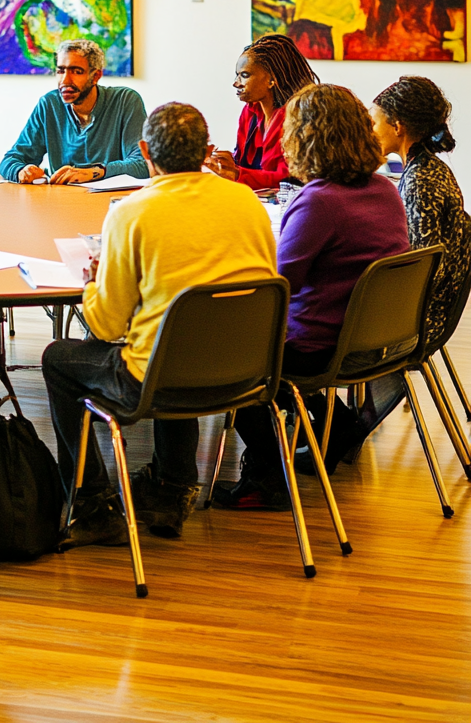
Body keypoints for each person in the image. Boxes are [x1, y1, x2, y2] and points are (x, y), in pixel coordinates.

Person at [42, 103, 277, 546]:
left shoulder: (132, 212)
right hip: (245, 371)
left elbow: (106, 323)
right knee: (181, 337)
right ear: (208, 150)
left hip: (160, 377)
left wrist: (93, 282)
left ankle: (91, 501)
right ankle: (171, 489)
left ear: (145, 149)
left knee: (59, 359)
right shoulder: (246, 200)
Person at [215, 84, 409, 505]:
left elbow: (278, 288)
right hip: (367, 338)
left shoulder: (320, 200)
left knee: (229, 358)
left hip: (317, 343)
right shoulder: (386, 190)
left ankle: (266, 476)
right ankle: (335, 425)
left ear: (304, 138)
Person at [356, 77, 471, 444]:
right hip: (433, 311)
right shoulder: (428, 169)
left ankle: (334, 436)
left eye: (374, 122)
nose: (369, 131)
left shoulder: (420, 180)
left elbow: (420, 270)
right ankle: (338, 434)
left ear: (397, 126)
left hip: (418, 320)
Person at [0, 39, 147, 184]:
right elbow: (10, 161)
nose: (65, 80)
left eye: (76, 72)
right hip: (61, 201)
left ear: (95, 76)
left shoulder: (125, 101)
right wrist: (21, 171)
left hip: (111, 202)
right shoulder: (49, 104)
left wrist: (95, 172)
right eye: (60, 70)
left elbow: (143, 164)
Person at [207, 34, 319, 190]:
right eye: (237, 75)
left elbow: (291, 179)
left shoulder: (299, 117)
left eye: (244, 75)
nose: (236, 83)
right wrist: (224, 163)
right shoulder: (250, 111)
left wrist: (237, 173)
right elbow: (245, 164)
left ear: (271, 80)